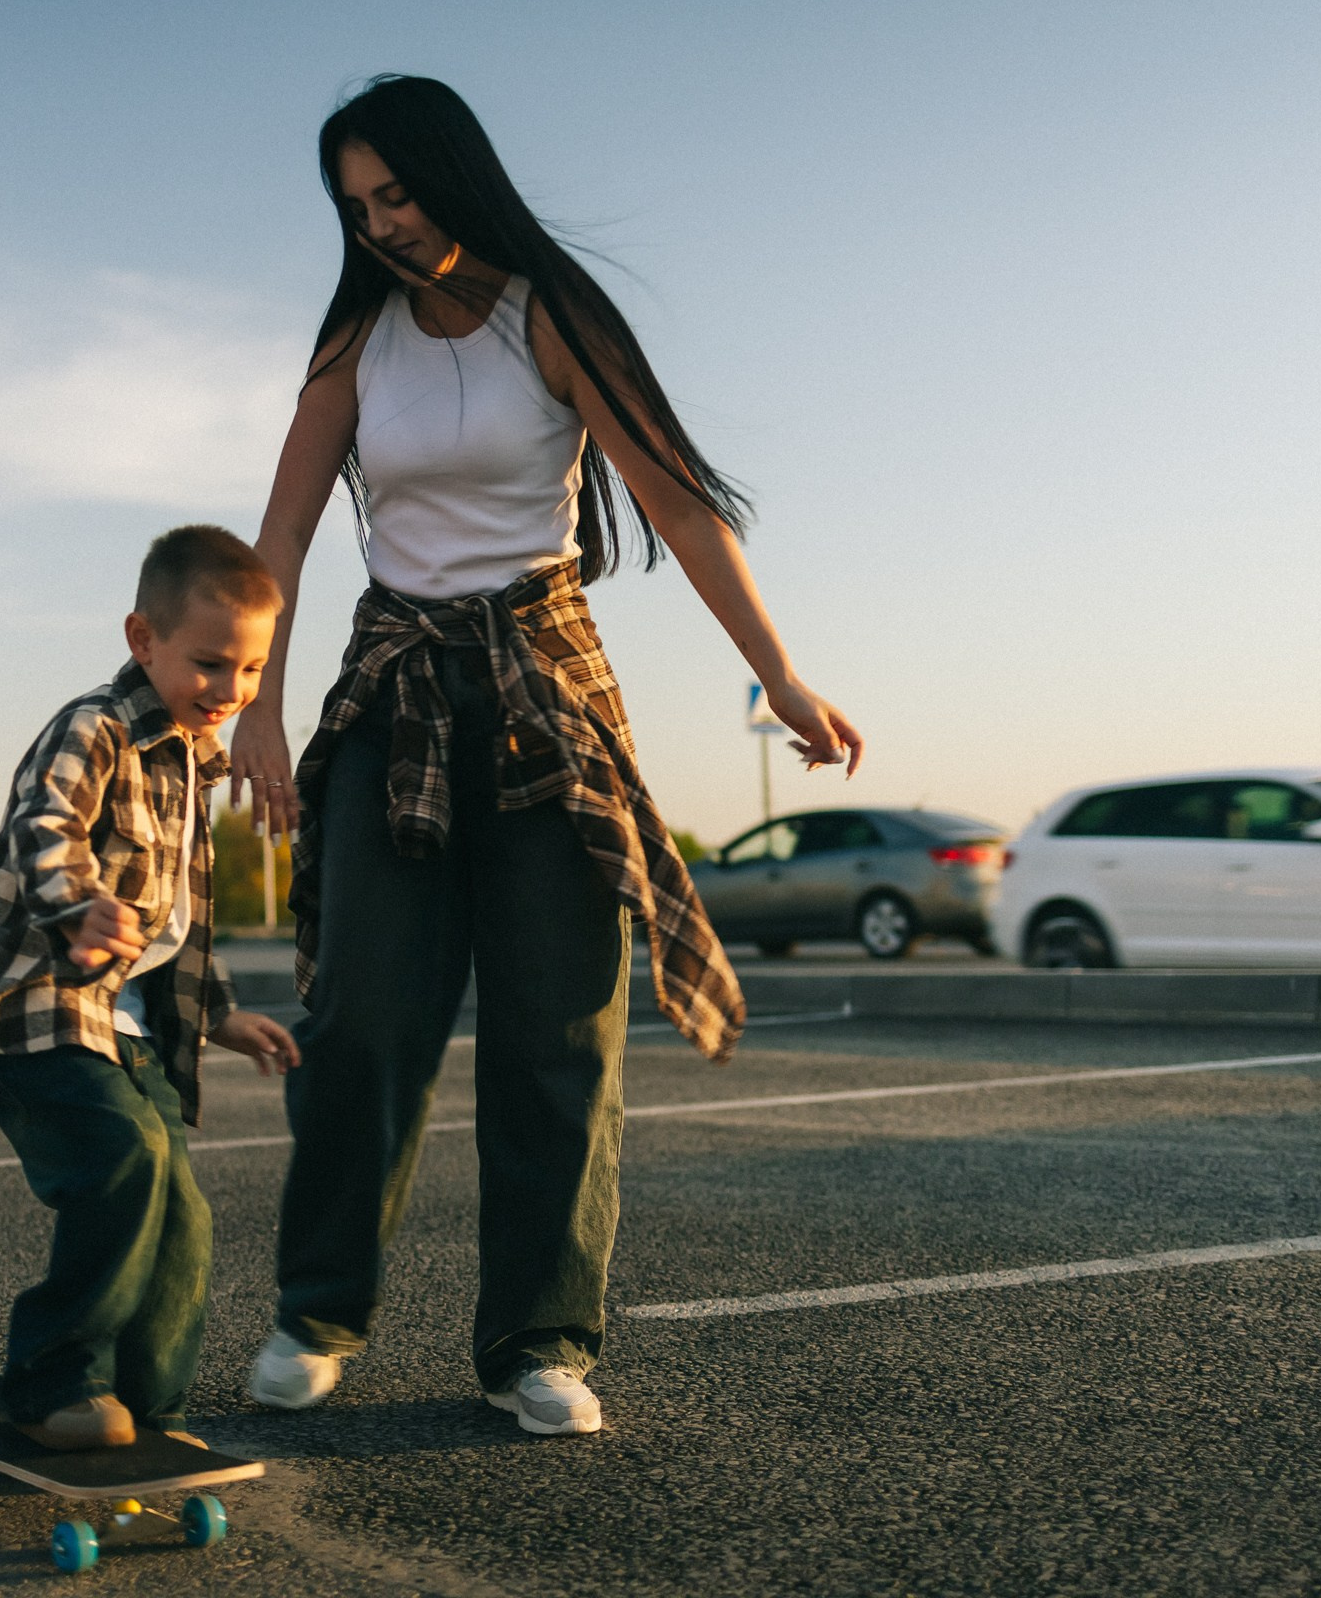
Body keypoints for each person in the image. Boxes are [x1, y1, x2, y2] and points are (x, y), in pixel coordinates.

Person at [229, 75, 864, 1436]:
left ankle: (539, 1345)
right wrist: (259, 708)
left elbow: (679, 508)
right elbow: (276, 542)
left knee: (557, 1030)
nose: (382, 224)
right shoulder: (356, 346)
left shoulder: (551, 318)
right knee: (363, 1022)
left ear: (455, 175)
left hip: (543, 691)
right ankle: (318, 1311)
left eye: (397, 192)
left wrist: (781, 674)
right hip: (394, 691)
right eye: (357, 206)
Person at [0, 524, 301, 1450]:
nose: (230, 693)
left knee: (183, 1216)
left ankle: (145, 1406)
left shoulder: (190, 756)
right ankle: (58, 1381)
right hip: (30, 1004)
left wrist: (219, 1015)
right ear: (144, 639)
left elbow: (174, 915)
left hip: (124, 1022)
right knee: (124, 1162)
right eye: (210, 665)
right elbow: (43, 827)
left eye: (252, 672)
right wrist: (74, 908)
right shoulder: (93, 726)